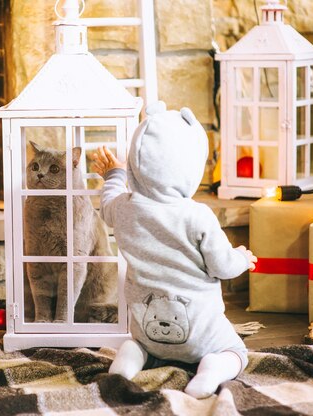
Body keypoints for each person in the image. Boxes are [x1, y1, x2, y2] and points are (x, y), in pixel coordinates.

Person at [91, 101, 257, 399]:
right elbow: (222, 266)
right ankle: (211, 370)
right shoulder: (197, 215)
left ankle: (129, 359)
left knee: (139, 345)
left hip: (147, 331)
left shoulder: (125, 209)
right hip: (201, 335)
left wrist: (114, 175)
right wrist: (243, 258)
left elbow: (106, 205)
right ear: (189, 166)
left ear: (135, 164)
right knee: (236, 351)